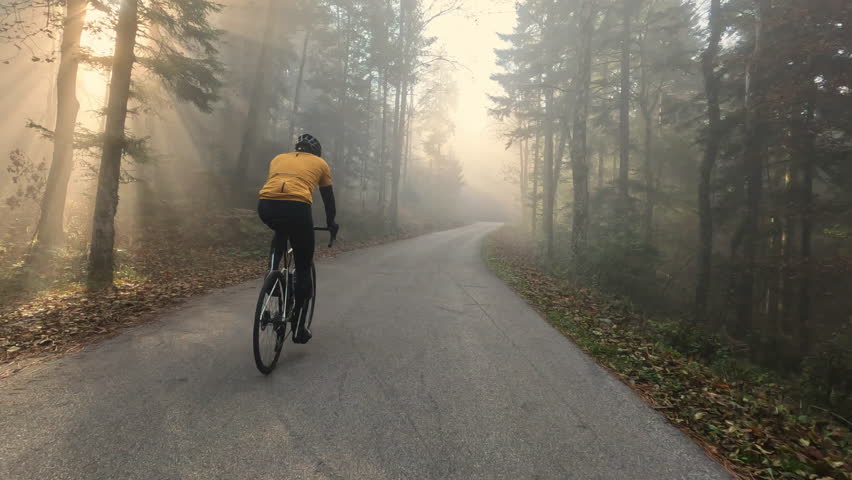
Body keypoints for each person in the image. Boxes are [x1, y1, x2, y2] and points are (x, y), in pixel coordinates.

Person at [257, 134, 338, 344]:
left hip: (266, 205)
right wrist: (332, 223)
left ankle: (273, 274)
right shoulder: (320, 163)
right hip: (297, 207)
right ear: (316, 153)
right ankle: (300, 328)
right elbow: (328, 198)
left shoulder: (278, 158)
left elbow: (277, 187)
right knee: (303, 266)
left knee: (280, 231)